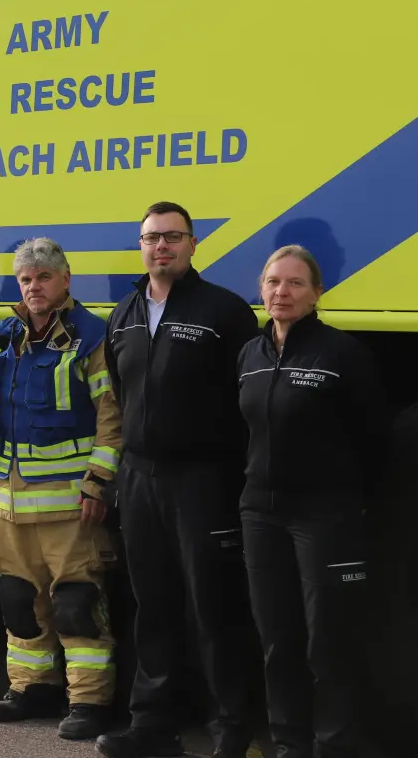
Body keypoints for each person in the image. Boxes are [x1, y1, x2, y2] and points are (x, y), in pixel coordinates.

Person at [0, 238, 122, 740]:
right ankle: (33, 688)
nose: (34, 287)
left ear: (66, 280)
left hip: (70, 507)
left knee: (76, 605)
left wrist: (99, 484)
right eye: (26, 279)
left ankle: (89, 701)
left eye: (44, 278)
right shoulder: (1, 336)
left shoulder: (91, 337)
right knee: (17, 600)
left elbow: (112, 420)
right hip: (9, 505)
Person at [98, 202, 261, 758]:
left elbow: (250, 400)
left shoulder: (225, 312)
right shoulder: (123, 313)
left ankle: (230, 727)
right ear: (140, 246)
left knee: (215, 607)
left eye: (172, 237)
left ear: (193, 245)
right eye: (151, 238)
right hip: (140, 478)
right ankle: (153, 726)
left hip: (203, 480)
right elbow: (124, 398)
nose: (160, 246)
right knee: (154, 604)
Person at [237, 246, 385, 758]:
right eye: (274, 282)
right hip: (260, 514)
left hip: (324, 515)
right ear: (261, 288)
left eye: (296, 284)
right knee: (277, 641)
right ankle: (289, 746)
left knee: (328, 643)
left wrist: (354, 502)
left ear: (317, 293)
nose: (283, 292)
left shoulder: (342, 355)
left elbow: (373, 437)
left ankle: (334, 746)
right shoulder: (249, 355)